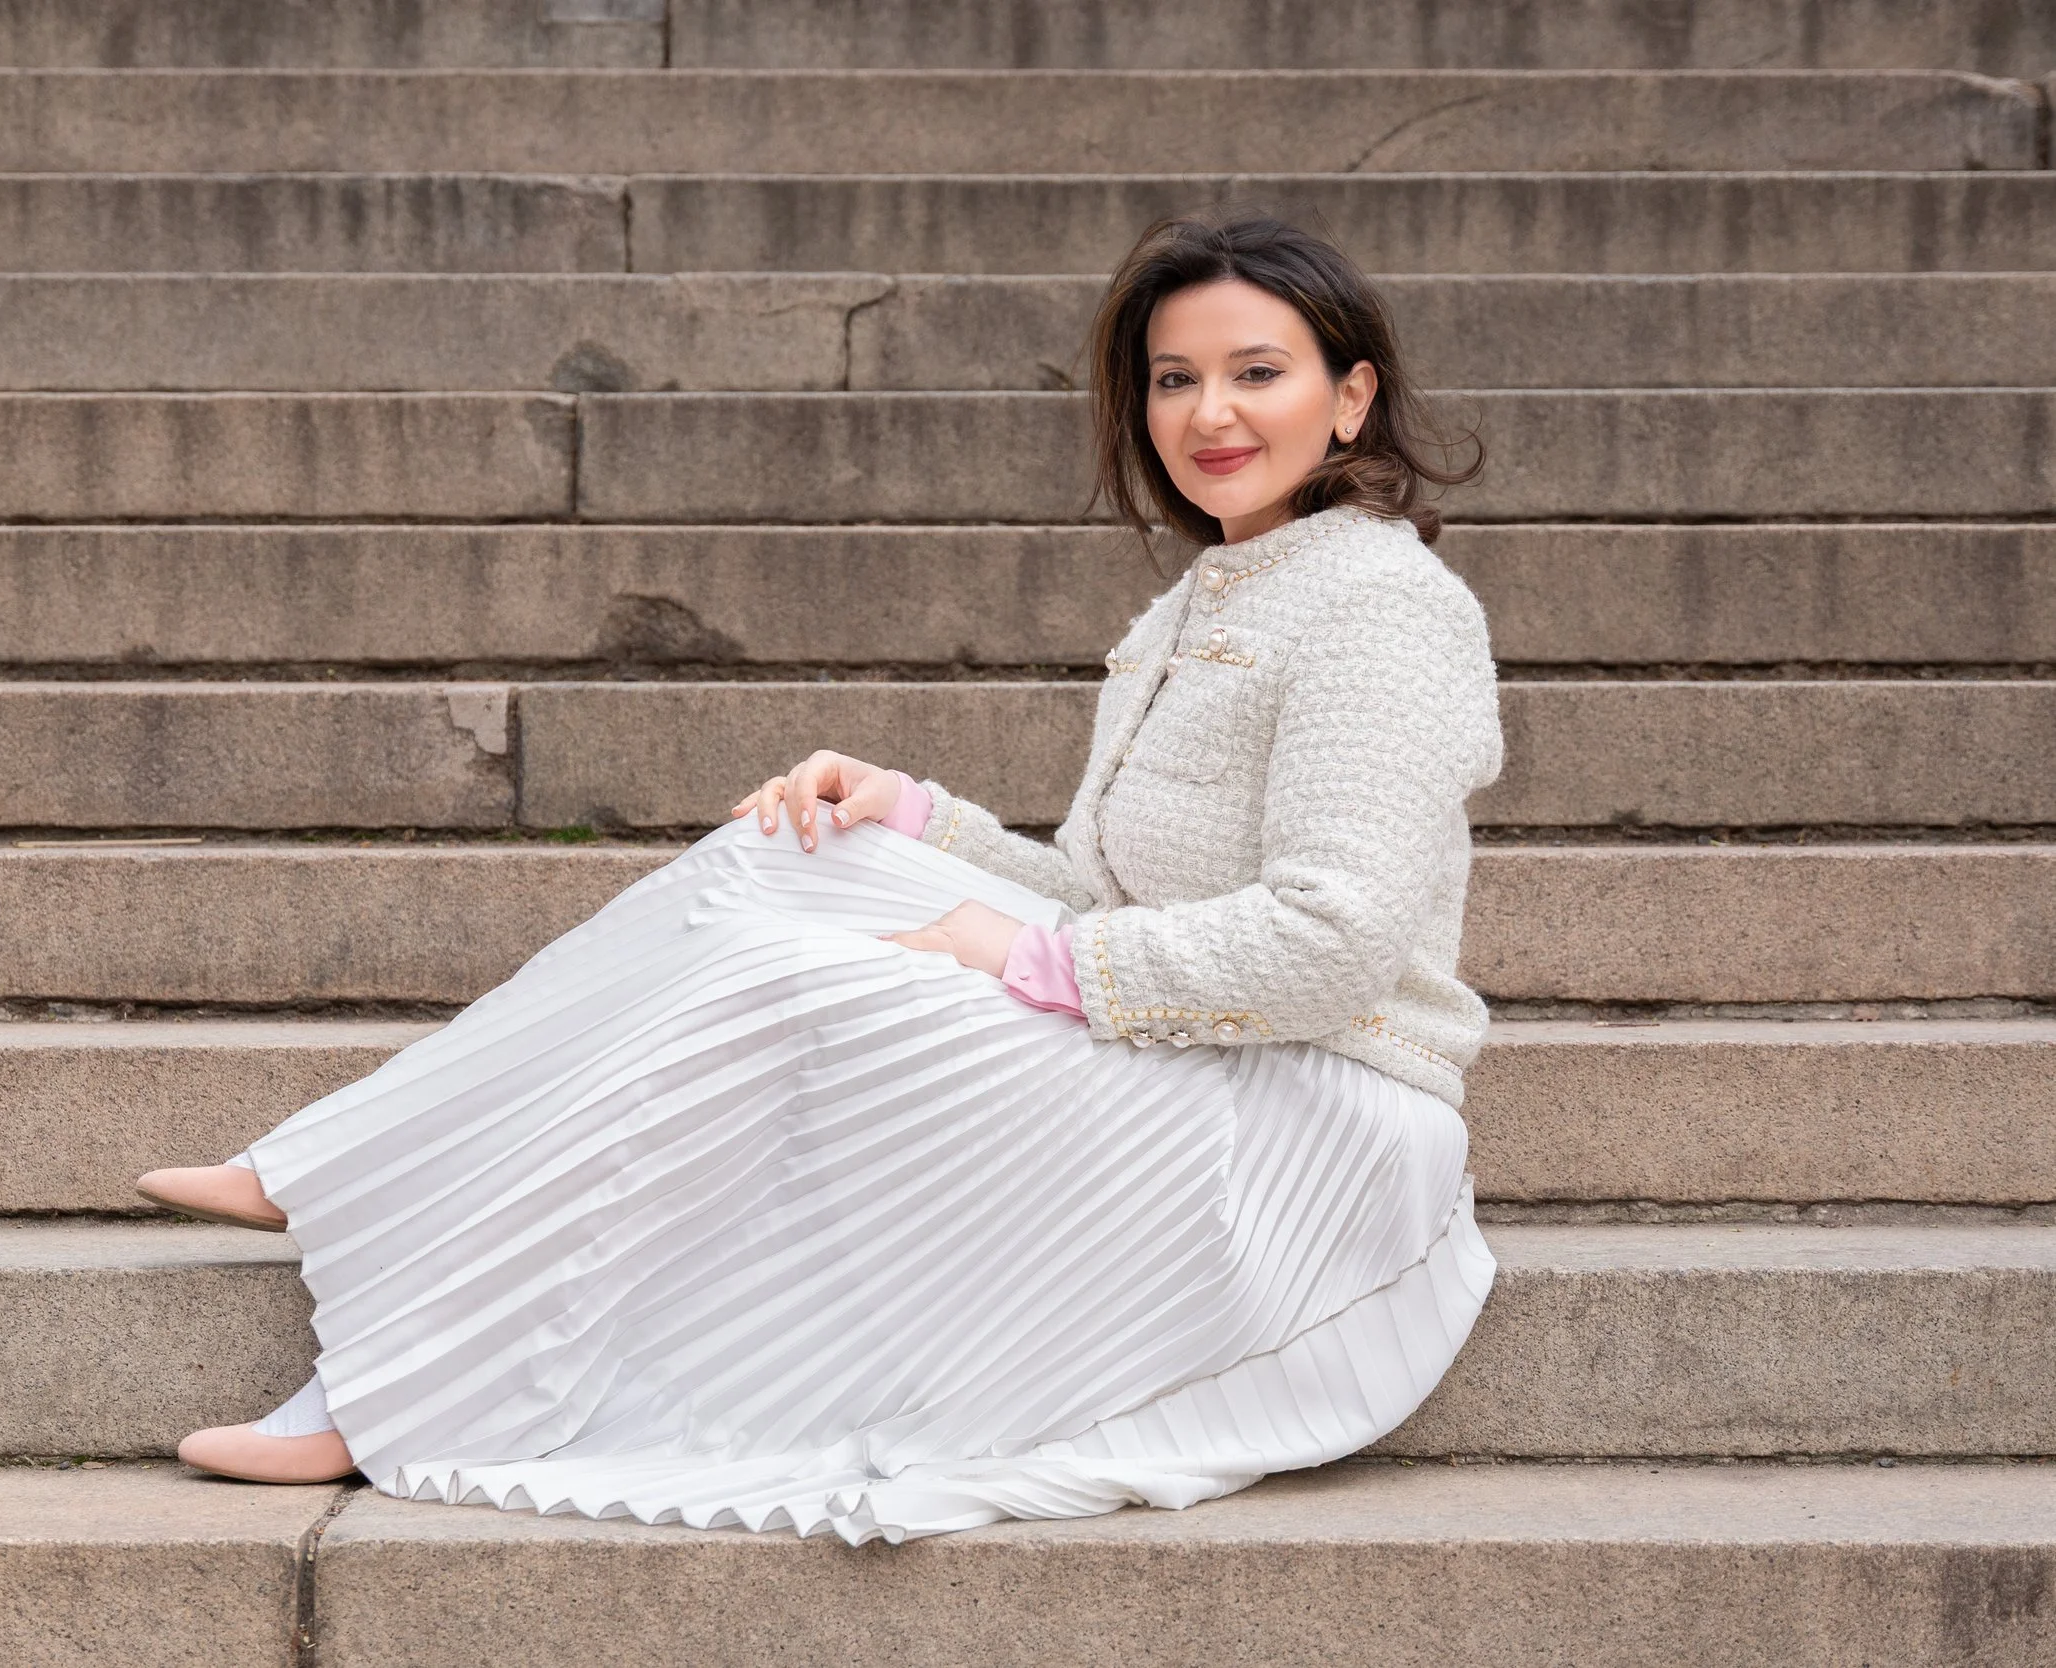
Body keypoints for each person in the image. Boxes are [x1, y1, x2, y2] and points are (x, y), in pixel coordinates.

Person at [137, 212, 1502, 1545]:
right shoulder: (1195, 607)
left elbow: (1335, 943)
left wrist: (1027, 958)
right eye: (1174, 377)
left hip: (1322, 1119)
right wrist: (916, 817)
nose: (1212, 411)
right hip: (1203, 1044)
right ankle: (340, 1164)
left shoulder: (1379, 607)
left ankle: (393, 1401)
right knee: (787, 854)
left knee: (789, 982)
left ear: (1351, 396)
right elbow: (1106, 888)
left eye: (1258, 373)